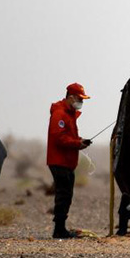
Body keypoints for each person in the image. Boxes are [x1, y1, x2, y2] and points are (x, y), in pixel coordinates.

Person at [47, 83, 92, 238]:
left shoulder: (70, 113)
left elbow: (68, 137)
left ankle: (60, 228)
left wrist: (80, 141)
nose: (81, 102)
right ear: (71, 97)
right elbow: (58, 138)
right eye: (80, 99)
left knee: (66, 195)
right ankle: (59, 230)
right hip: (59, 161)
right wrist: (76, 143)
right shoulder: (59, 114)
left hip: (67, 161)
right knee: (63, 195)